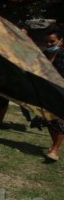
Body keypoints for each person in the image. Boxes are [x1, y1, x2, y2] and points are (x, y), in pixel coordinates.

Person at [42, 28, 64, 162]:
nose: (49, 44)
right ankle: (55, 145)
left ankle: (55, 150)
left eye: (52, 41)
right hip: (48, 91)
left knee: (61, 119)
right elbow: (44, 71)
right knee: (49, 120)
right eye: (47, 42)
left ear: (61, 41)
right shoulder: (45, 54)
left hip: (61, 91)